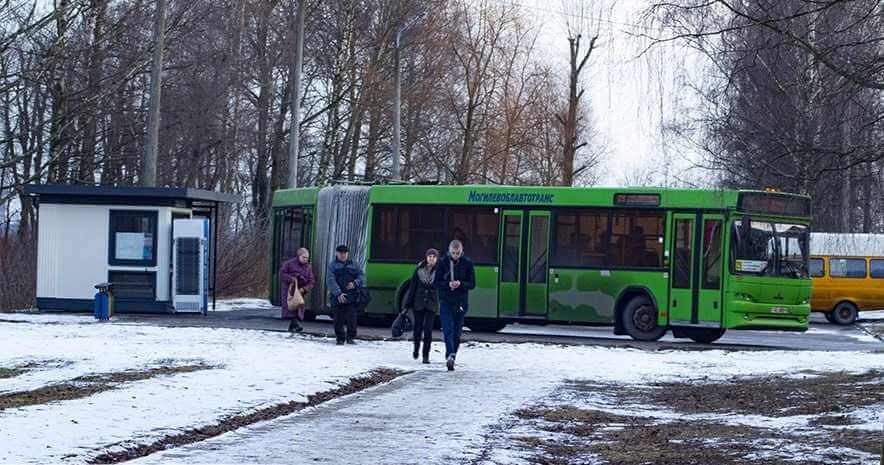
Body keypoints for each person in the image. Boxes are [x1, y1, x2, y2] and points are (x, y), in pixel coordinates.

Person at [434, 239, 475, 371]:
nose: (455, 255)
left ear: (462, 251)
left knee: (457, 332)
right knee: (447, 329)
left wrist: (461, 284)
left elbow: (472, 283)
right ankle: (449, 355)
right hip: (446, 301)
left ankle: (453, 355)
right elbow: (436, 283)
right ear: (449, 251)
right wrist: (448, 284)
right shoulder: (442, 263)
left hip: (461, 302)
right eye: (453, 253)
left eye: (458, 253)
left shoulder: (467, 263)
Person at [401, 248, 440, 364]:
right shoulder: (419, 269)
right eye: (429, 256)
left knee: (428, 331)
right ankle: (416, 348)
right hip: (418, 303)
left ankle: (425, 355)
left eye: (433, 257)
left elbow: (442, 288)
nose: (431, 258)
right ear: (426, 257)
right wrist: (407, 304)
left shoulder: (440, 271)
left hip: (431, 304)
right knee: (417, 329)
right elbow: (413, 287)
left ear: (437, 259)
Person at [327, 244, 365, 345]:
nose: (343, 255)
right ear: (337, 253)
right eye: (341, 253)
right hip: (337, 297)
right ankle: (340, 338)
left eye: (345, 253)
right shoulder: (332, 265)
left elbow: (362, 276)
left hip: (352, 296)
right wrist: (338, 293)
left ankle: (350, 338)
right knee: (338, 319)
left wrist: (355, 283)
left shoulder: (354, 265)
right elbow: (330, 281)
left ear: (347, 254)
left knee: (352, 318)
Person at [279, 248, 314, 333]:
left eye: (307, 257)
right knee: (291, 307)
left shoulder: (308, 267)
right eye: (304, 257)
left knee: (298, 307)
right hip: (289, 290)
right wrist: (292, 278)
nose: (306, 259)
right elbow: (282, 274)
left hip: (300, 291)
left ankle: (293, 326)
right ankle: (296, 325)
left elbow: (311, 280)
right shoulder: (289, 264)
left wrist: (305, 288)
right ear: (299, 256)